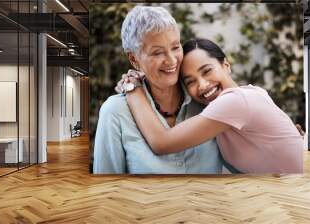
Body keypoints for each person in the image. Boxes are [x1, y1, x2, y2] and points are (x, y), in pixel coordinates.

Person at [122, 38, 304, 174]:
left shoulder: (234, 101)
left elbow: (161, 143)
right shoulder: (250, 93)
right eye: (190, 81)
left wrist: (133, 88)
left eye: (207, 71)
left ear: (226, 65)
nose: (202, 85)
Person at [93, 6, 222, 174]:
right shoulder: (115, 112)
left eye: (175, 47)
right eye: (157, 53)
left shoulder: (205, 96)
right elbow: (107, 188)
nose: (171, 61)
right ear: (133, 58)